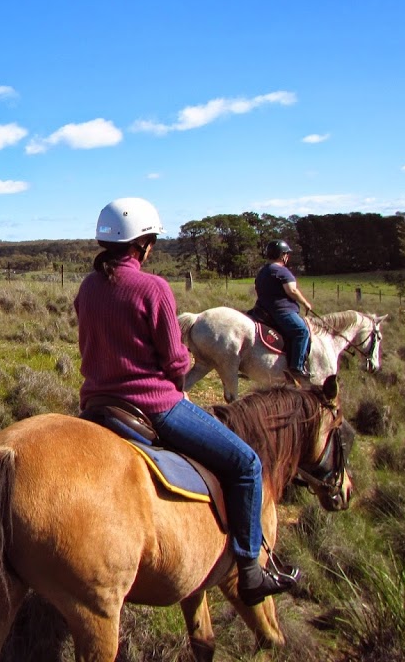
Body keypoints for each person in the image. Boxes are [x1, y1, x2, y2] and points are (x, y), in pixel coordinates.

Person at [74, 197, 300, 607]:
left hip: (97, 405)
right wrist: (177, 366)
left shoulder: (88, 287)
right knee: (246, 464)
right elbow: (176, 360)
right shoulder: (153, 288)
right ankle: (250, 570)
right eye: (152, 241)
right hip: (153, 405)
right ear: (142, 244)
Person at [253, 239, 314, 382]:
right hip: (281, 310)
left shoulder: (263, 271)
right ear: (282, 255)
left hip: (262, 309)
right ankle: (297, 367)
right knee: (301, 331)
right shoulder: (281, 271)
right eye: (287, 254)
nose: (287, 257)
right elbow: (291, 290)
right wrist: (305, 303)